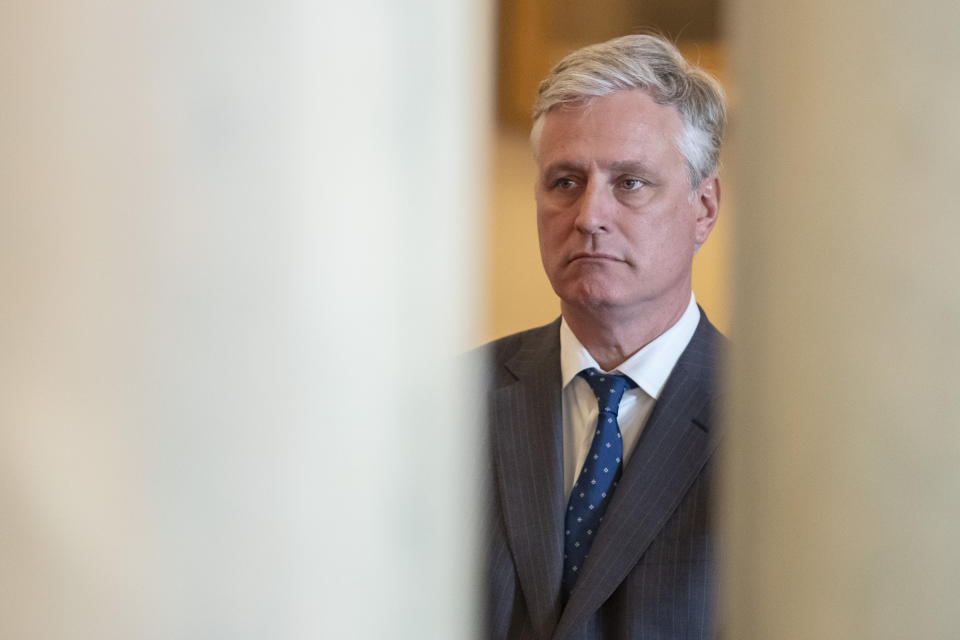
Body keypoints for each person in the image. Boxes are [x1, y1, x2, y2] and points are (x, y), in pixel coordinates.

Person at [480, 34, 726, 639]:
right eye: (565, 181)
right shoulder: (448, 401)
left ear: (703, 207)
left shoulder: (783, 423)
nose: (589, 216)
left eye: (631, 183)